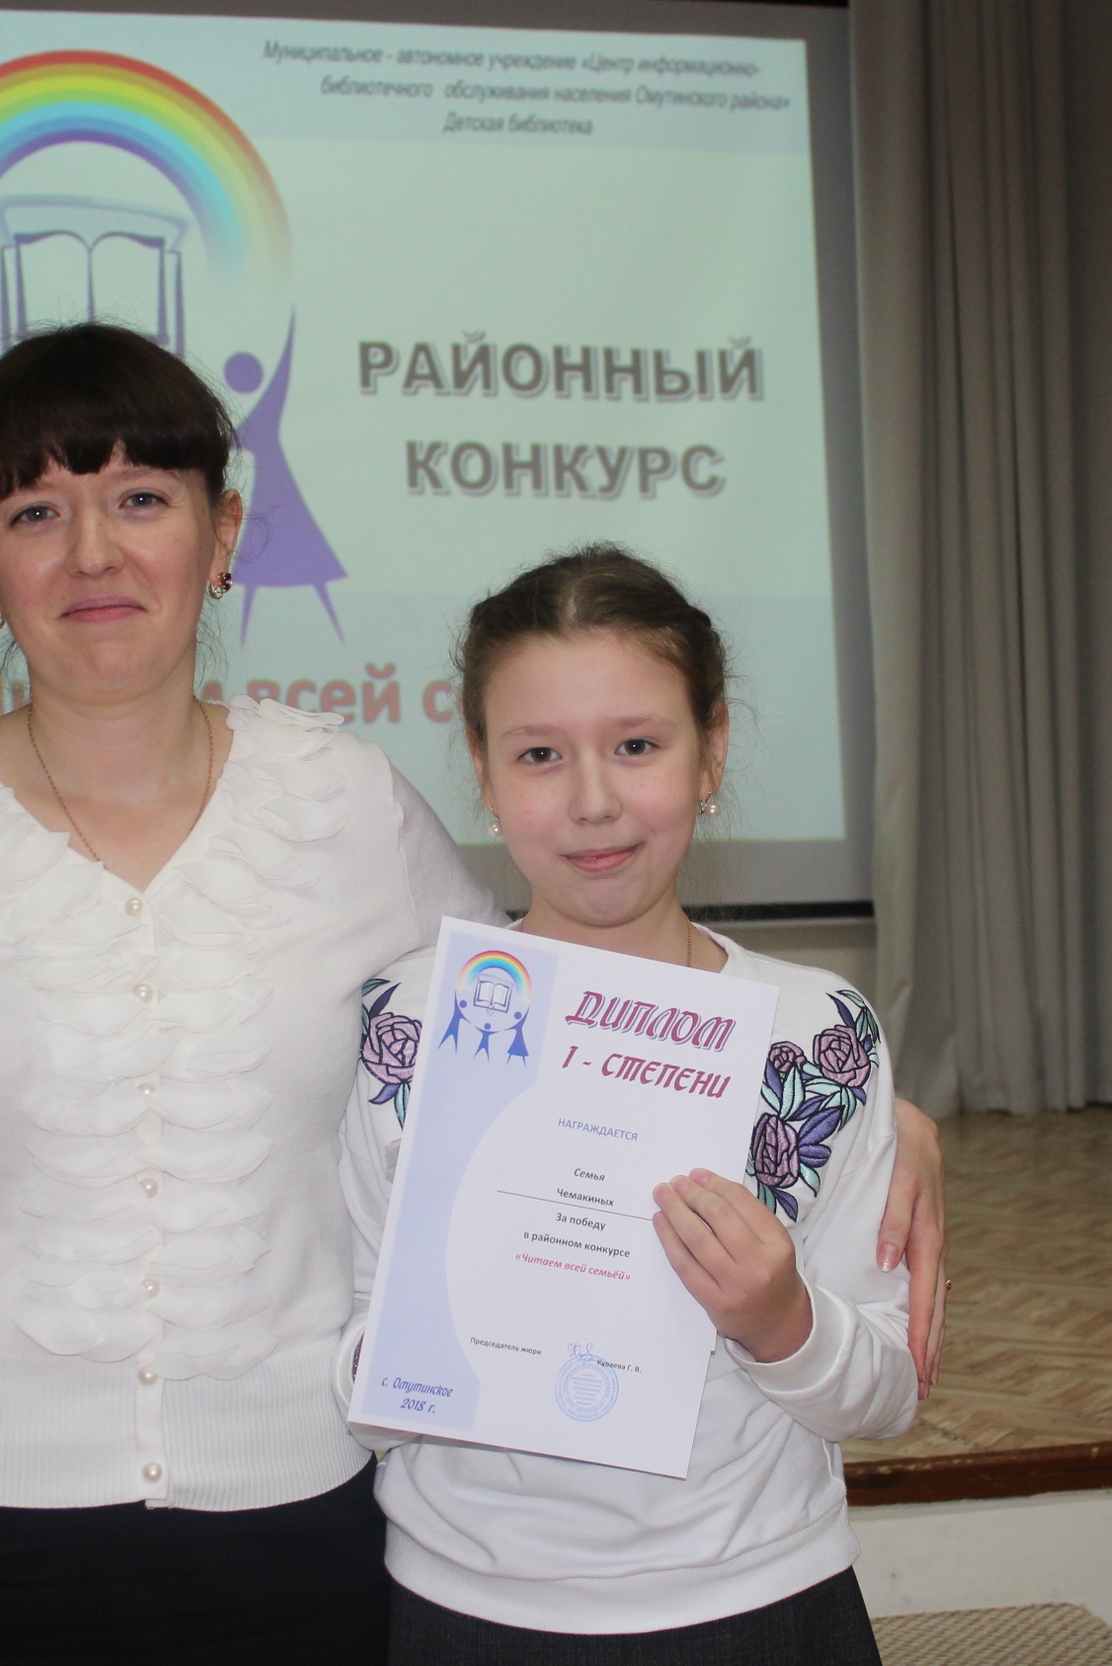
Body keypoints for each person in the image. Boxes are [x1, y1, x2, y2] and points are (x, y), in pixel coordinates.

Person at [0, 326, 948, 1666]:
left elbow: (563, 1008)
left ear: (224, 532)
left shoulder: (345, 804)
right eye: (34, 513)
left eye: (140, 498)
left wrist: (866, 1108)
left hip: (289, 1544)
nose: (93, 553)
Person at [340, 547, 912, 1664]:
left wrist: (779, 1319)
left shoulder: (819, 1033)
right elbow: (352, 1372)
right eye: (539, 754)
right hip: (466, 1607)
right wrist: (422, 1334)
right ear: (481, 768)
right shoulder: (410, 1021)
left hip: (758, 1601)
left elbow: (884, 1390)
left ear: (712, 750)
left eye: (638, 746)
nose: (593, 801)